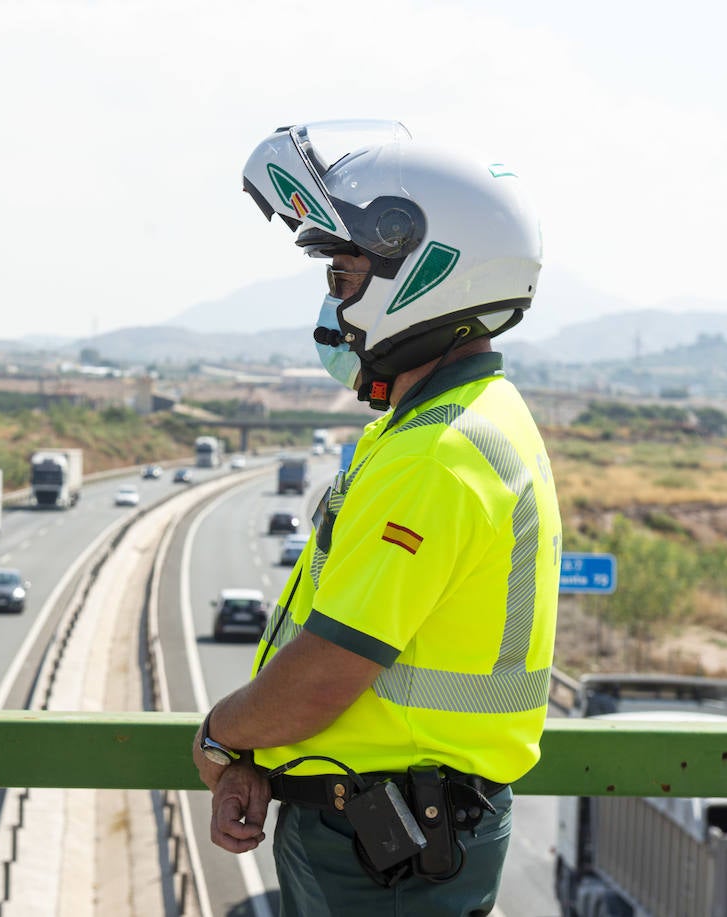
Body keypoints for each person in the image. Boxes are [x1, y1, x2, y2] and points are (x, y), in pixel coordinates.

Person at [191, 121, 562, 915]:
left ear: (428, 270)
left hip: (387, 855)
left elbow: (328, 669)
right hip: (395, 833)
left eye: (347, 273)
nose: (334, 298)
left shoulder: (437, 452)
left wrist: (225, 735)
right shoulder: (466, 417)